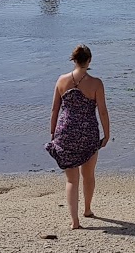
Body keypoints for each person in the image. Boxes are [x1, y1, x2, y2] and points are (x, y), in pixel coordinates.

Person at [45, 44, 110, 228]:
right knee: (88, 175)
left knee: (71, 179)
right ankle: (87, 209)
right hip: (88, 132)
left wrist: (53, 132)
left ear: (73, 60)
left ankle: (74, 221)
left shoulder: (61, 80)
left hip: (65, 132)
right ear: (89, 60)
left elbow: (54, 110)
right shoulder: (96, 83)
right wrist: (107, 134)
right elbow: (103, 112)